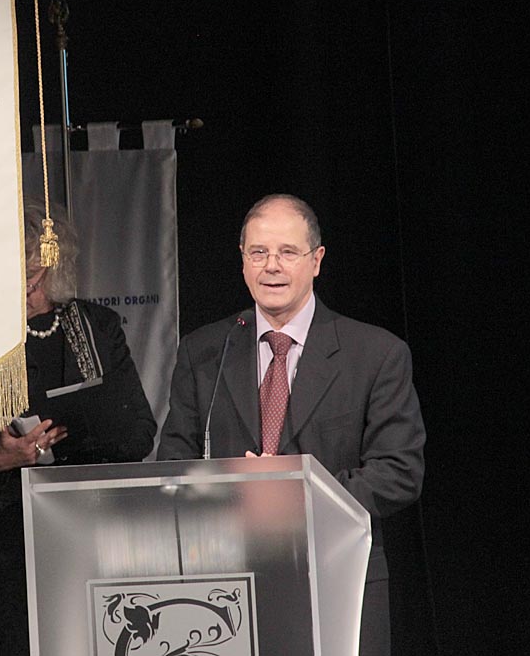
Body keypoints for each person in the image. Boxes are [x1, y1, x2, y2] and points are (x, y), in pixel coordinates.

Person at [157, 194, 425, 656]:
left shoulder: (375, 354)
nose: (271, 267)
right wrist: (233, 491)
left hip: (337, 574)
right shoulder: (204, 351)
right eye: (258, 252)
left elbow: (398, 472)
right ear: (242, 260)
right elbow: (173, 465)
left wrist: (295, 496)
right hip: (226, 585)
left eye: (287, 252)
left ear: (316, 261)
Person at [0, 201, 157, 656]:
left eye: (34, 277)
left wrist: (77, 436)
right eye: (14, 277)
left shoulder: (96, 327)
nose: (26, 289)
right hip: (1, 544)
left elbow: (139, 432)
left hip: (86, 530)